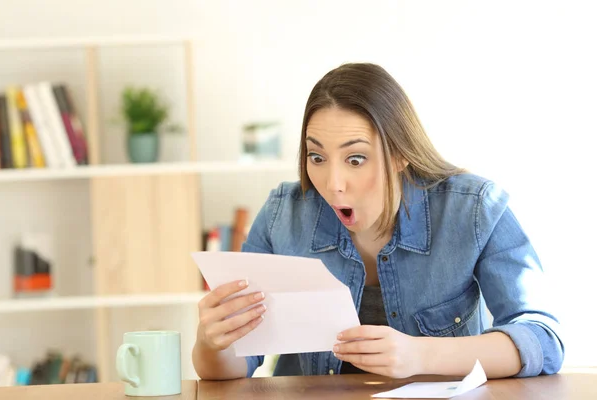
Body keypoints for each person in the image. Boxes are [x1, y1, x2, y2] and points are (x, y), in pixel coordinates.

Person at [192, 63, 564, 380]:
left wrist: (420, 355)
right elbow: (235, 366)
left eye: (355, 159)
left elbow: (542, 339)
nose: (333, 184)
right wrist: (211, 343)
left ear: (401, 153)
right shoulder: (282, 216)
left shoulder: (475, 209)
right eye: (317, 157)